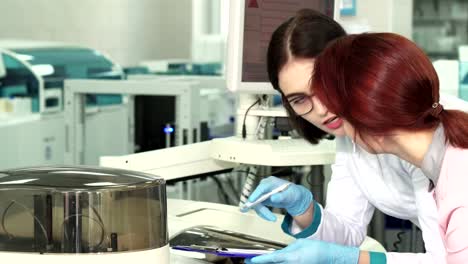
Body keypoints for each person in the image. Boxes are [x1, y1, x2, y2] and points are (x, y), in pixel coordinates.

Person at [242, 9, 468, 264]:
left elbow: (446, 259)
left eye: (323, 88)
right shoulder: (351, 136)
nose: (321, 109)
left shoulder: (434, 148)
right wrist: (304, 209)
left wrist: (350, 259)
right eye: (299, 99)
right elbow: (347, 233)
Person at [309, 32, 468, 263]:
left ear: (366, 118)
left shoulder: (459, 187)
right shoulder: (447, 162)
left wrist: (350, 259)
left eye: (337, 113)